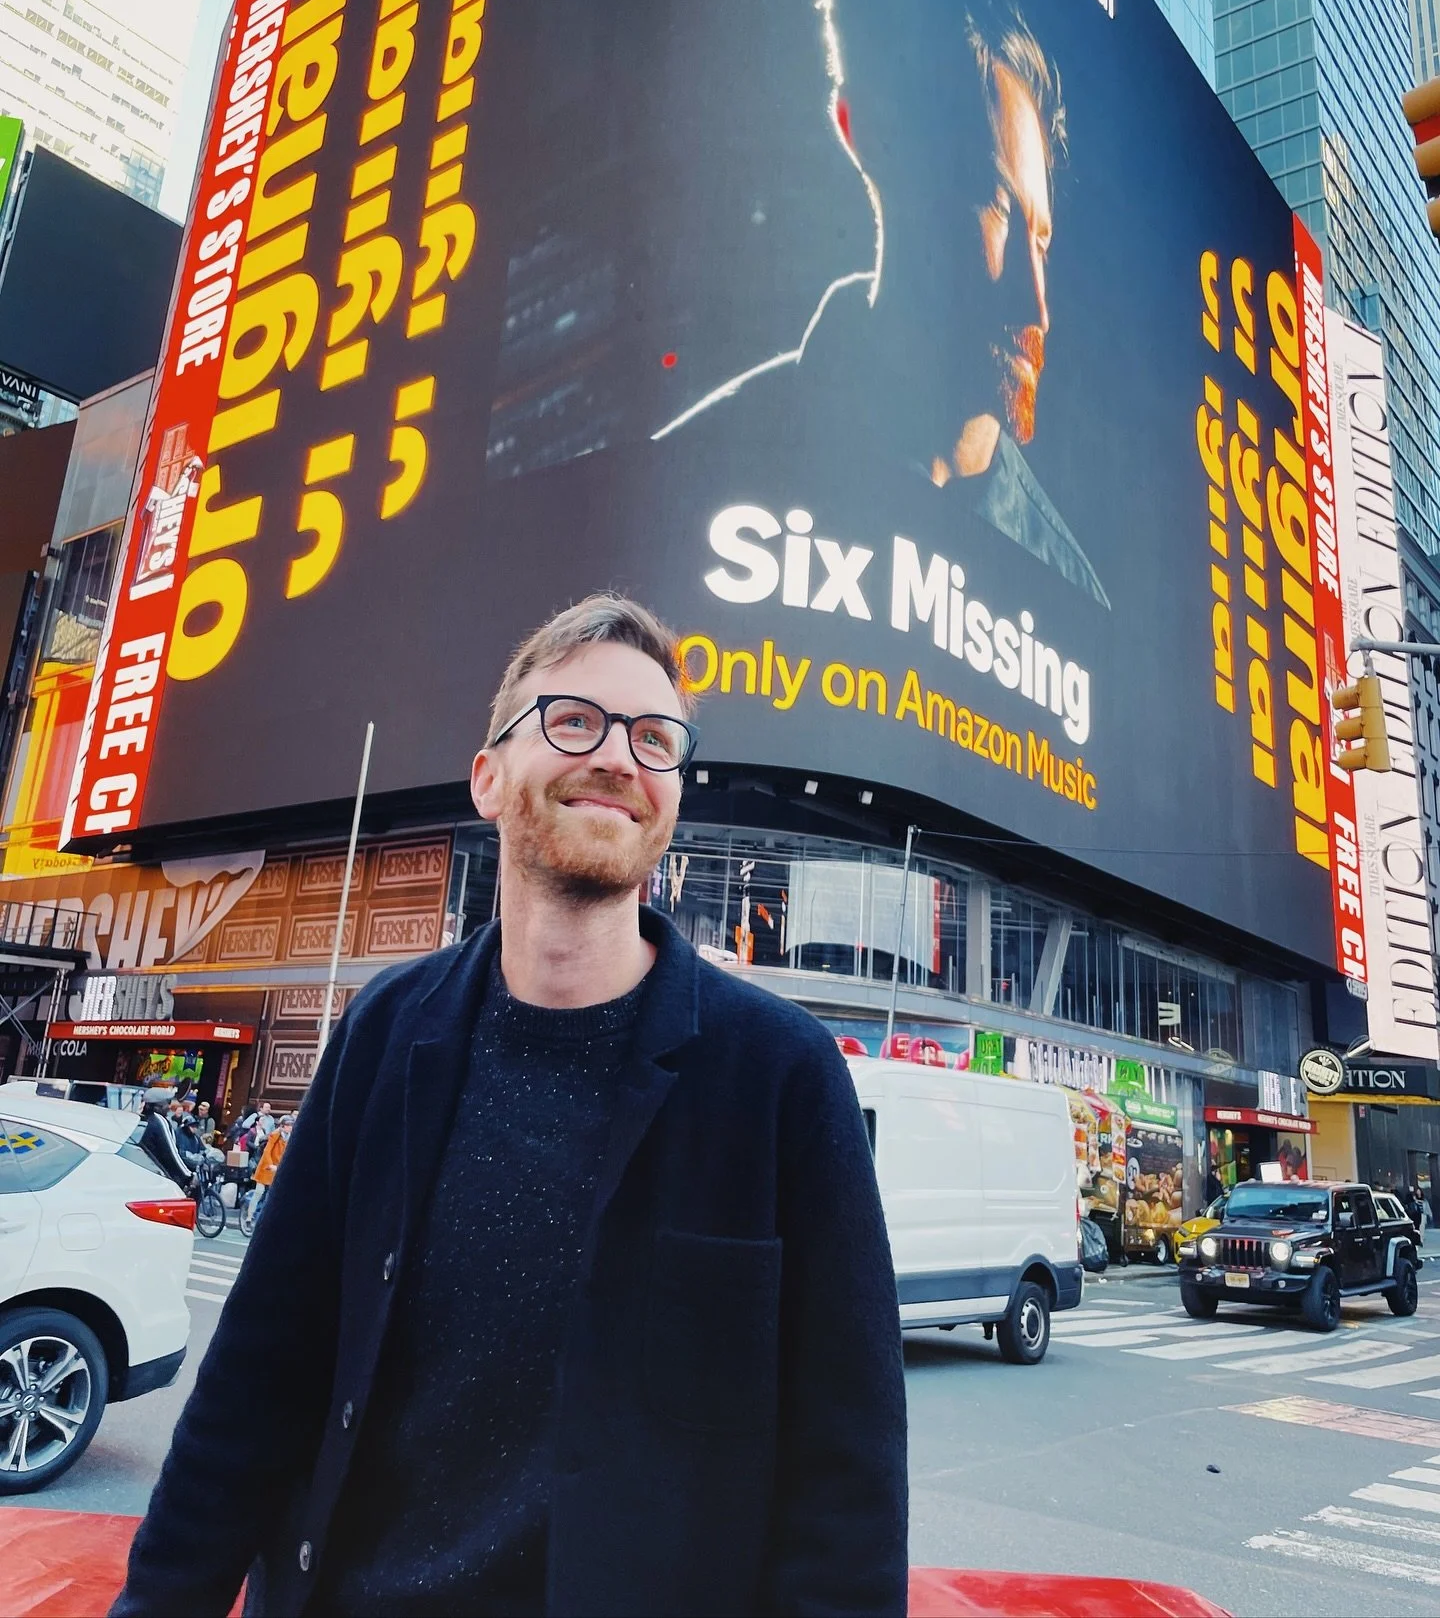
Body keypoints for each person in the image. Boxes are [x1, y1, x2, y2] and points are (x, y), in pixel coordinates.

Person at [112, 594, 906, 1617]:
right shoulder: (384, 1032)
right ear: (487, 778)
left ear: (671, 800)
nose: (620, 758)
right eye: (575, 721)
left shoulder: (783, 1077)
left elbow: (847, 1482)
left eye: (656, 740)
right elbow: (259, 1376)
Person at [655, 0, 1108, 607]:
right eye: (990, 201)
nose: (1035, 304)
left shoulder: (1076, 591)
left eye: (1040, 237)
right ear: (859, 130)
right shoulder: (694, 474)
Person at [245, 1115, 293, 1227]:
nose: (290, 1127)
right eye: (288, 1125)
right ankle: (249, 1217)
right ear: (282, 1126)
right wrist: (270, 1164)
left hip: (278, 1168)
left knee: (275, 1195)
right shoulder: (275, 1135)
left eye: (291, 1125)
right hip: (266, 1168)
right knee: (259, 1192)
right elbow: (267, 1151)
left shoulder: (290, 1137)